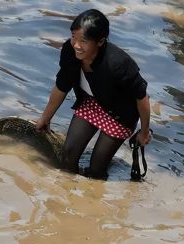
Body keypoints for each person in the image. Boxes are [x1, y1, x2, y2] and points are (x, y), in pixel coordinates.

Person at [35, 9, 151, 179]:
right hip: (92, 103)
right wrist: (45, 119)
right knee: (67, 156)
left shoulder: (117, 63)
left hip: (120, 115)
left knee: (96, 170)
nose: (76, 45)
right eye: (73, 37)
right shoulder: (69, 51)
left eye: (83, 41)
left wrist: (144, 132)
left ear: (100, 41)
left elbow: (142, 97)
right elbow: (61, 85)